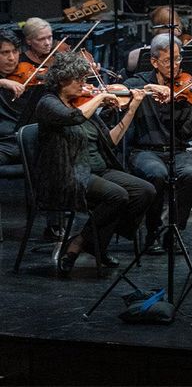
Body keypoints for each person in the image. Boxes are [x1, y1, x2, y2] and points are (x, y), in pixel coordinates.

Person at [34, 52, 154, 276]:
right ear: (61, 80)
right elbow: (73, 118)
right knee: (117, 196)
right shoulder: (48, 104)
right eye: (78, 79)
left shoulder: (81, 102)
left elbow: (111, 141)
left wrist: (132, 109)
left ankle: (88, 240)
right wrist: (99, 98)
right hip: (68, 172)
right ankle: (83, 246)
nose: (84, 84)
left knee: (144, 191)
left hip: (97, 169)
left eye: (85, 79)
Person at [122, 34, 192, 254]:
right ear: (154, 62)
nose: (175, 65)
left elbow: (183, 134)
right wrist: (154, 89)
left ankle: (173, 233)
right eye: (168, 60)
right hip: (144, 151)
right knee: (157, 174)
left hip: (176, 150)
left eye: (178, 59)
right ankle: (152, 232)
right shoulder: (139, 81)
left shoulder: (185, 90)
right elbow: (122, 91)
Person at [0, 30, 28, 166]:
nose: (12, 58)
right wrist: (2, 82)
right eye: (5, 53)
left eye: (15, 51)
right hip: (4, 143)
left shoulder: (26, 73)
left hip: (25, 137)